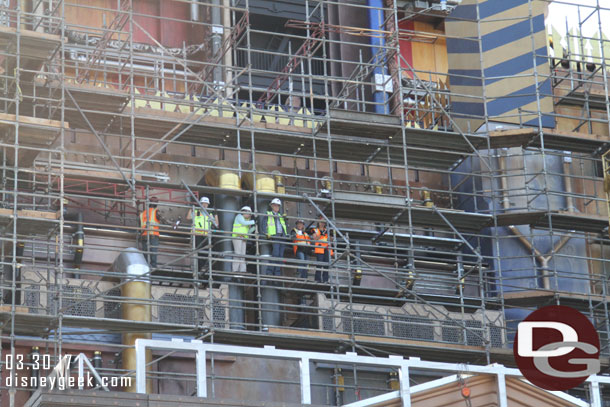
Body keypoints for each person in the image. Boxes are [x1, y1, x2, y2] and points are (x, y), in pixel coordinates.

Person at [186, 196, 218, 272]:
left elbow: (216, 224)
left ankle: (200, 268)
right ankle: (197, 268)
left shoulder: (209, 214)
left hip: (206, 235)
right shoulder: (197, 212)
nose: (204, 205)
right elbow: (188, 217)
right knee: (198, 251)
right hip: (197, 234)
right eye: (203, 203)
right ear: (200, 204)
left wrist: (215, 214)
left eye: (206, 204)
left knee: (205, 253)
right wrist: (191, 209)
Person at [261, 198, 287, 277]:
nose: (276, 207)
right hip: (275, 236)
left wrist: (285, 219)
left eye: (278, 206)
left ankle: (277, 273)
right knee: (275, 254)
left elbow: (283, 226)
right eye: (275, 205)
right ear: (272, 206)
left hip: (282, 237)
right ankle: (269, 272)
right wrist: (266, 233)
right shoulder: (268, 214)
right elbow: (263, 224)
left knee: (280, 255)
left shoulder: (280, 216)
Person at [139, 196, 166, 269]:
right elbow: (164, 221)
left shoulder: (142, 213)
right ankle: (153, 268)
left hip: (144, 236)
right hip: (153, 236)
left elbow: (139, 227)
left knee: (145, 254)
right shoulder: (156, 211)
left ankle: (144, 268)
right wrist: (173, 225)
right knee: (153, 253)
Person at [232, 206, 256, 273]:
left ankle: (242, 270)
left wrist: (254, 228)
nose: (249, 215)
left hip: (243, 238)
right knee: (238, 254)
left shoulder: (247, 220)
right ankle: (235, 270)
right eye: (248, 213)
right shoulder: (239, 216)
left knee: (243, 255)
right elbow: (244, 223)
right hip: (237, 237)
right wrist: (254, 221)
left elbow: (248, 231)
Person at [311, 217, 333, 283]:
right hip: (319, 249)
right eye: (321, 222)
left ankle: (325, 280)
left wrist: (330, 234)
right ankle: (318, 279)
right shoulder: (315, 230)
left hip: (326, 248)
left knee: (326, 265)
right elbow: (315, 238)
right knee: (319, 265)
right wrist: (321, 234)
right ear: (318, 222)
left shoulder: (327, 230)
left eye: (323, 222)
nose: (322, 224)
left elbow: (331, 239)